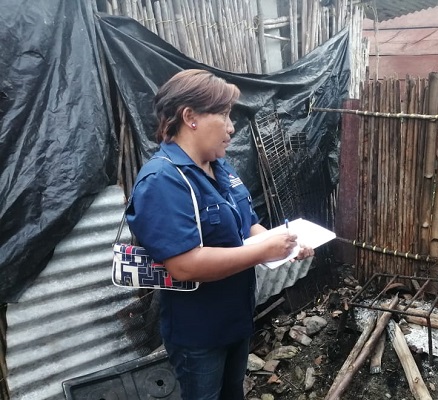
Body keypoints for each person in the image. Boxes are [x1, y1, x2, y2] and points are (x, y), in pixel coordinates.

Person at [126, 69, 314, 400]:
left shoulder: (220, 167)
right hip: (198, 332)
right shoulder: (163, 181)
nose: (232, 126)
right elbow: (185, 264)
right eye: (224, 115)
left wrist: (284, 243)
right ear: (190, 117)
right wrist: (261, 251)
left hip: (236, 317)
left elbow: (247, 226)